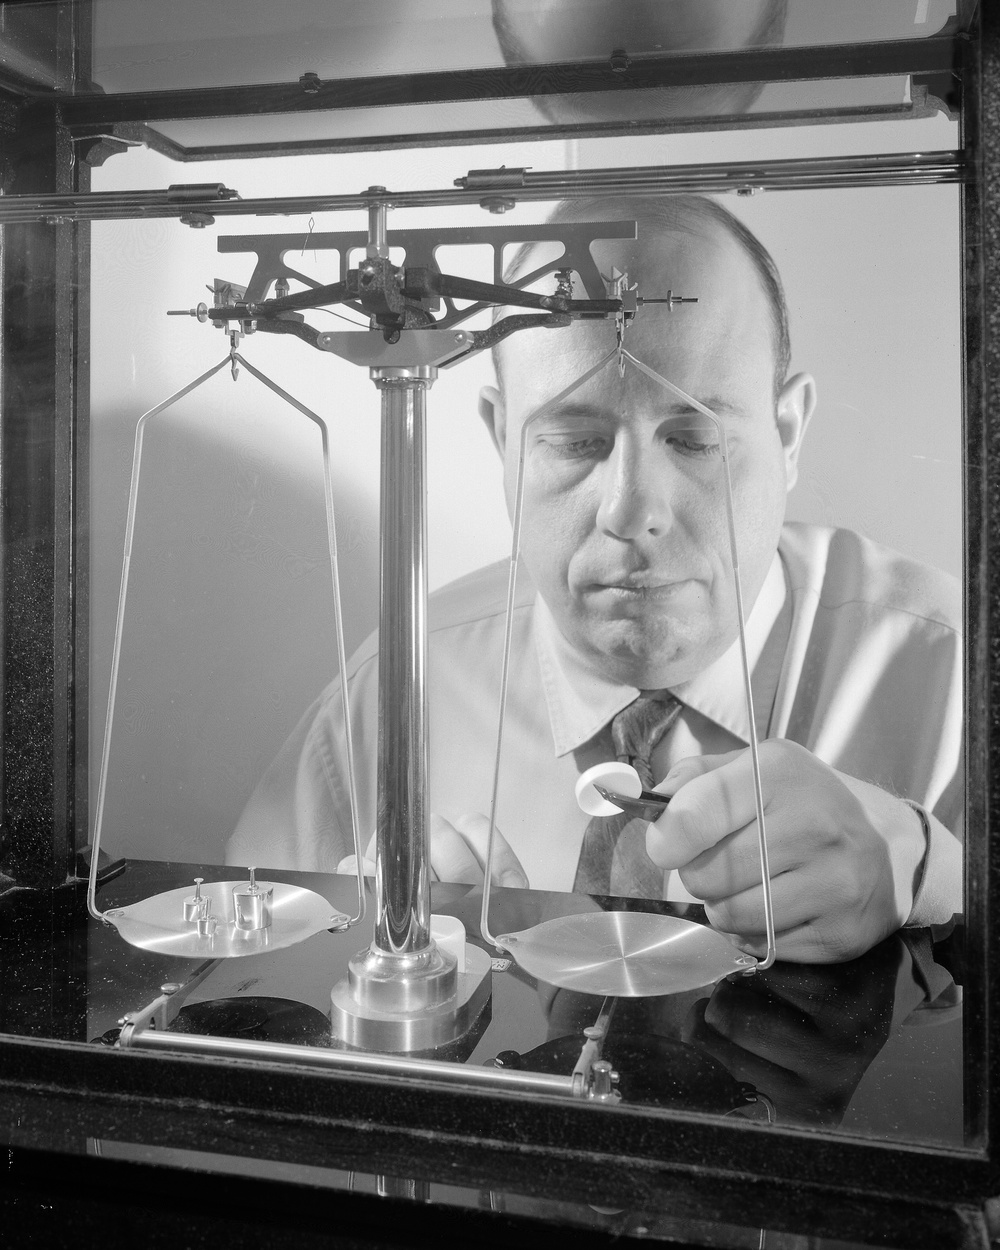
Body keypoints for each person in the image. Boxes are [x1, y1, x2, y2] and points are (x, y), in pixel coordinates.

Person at [227, 194, 963, 964]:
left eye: (693, 437)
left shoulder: (952, 676)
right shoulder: (387, 701)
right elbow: (243, 997)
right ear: (501, 439)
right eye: (577, 442)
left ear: (787, 433)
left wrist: (928, 869)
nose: (632, 510)